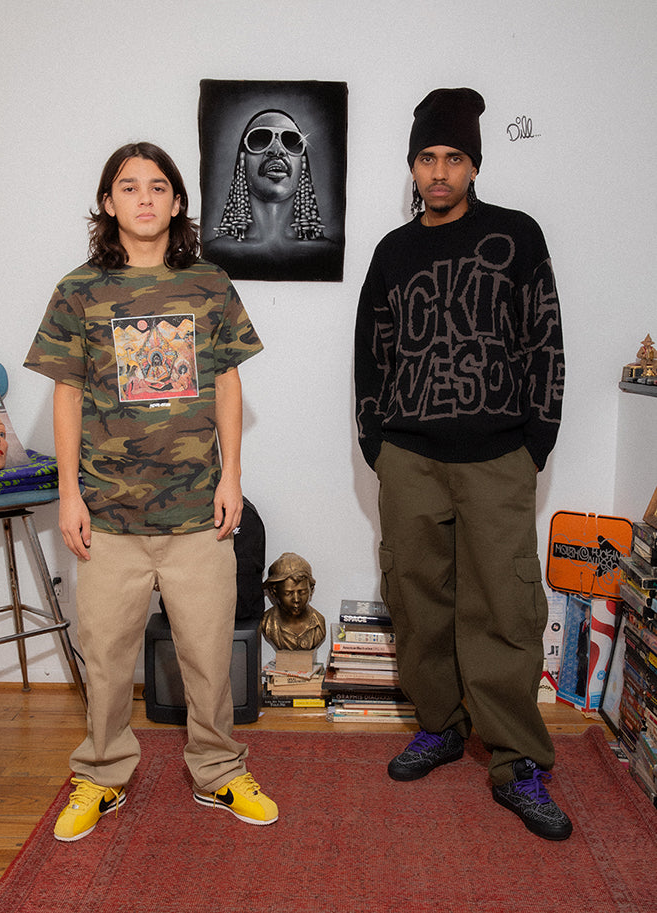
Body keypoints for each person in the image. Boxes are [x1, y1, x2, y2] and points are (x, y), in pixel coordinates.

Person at [24, 141, 278, 841]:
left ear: (176, 201)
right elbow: (67, 393)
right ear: (108, 202)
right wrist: (69, 495)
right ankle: (102, 773)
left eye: (157, 186)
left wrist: (232, 475)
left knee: (208, 657)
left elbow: (227, 381)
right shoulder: (78, 290)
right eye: (129, 186)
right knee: (107, 660)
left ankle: (219, 770)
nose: (144, 197)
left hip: (197, 511)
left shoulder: (209, 285)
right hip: (108, 515)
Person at [354, 88, 570, 840]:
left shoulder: (516, 235)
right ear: (412, 166)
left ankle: (517, 761)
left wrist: (534, 442)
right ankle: (440, 726)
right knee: (418, 604)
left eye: (453, 158)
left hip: (496, 456)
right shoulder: (392, 252)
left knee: (504, 609)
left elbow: (544, 341)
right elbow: (372, 356)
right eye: (427, 158)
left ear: (474, 165)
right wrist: (377, 444)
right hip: (409, 457)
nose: (439, 172)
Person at [203, 109, 339, 280]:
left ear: (303, 163)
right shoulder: (213, 254)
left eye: (291, 142)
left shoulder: (328, 254)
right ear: (242, 159)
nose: (277, 150)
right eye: (260, 140)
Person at [260, 552, 326, 651]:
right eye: (288, 593)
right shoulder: (267, 622)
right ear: (273, 592)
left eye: (302, 592)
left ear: (311, 589)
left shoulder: (318, 623)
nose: (296, 599)